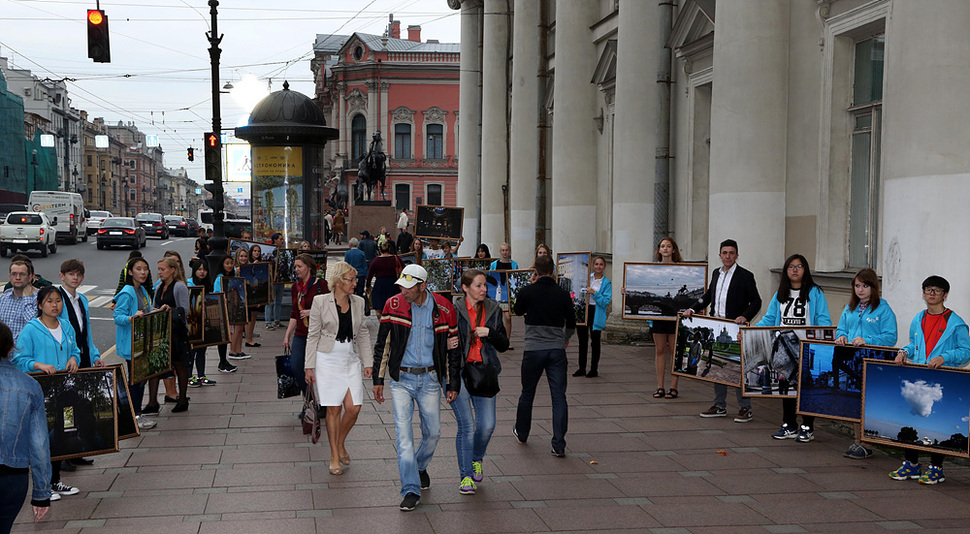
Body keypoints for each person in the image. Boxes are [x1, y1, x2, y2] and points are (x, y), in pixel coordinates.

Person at [372, 264, 461, 512]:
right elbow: (383, 343)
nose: (403, 290)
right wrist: (378, 380)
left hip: (431, 380)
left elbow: (453, 348)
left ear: (423, 286)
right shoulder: (393, 305)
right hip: (401, 380)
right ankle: (410, 489)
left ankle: (419, 467)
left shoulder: (444, 308)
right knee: (403, 437)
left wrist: (452, 382)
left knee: (433, 433)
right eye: (401, 285)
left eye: (409, 287)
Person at [889, 275, 970, 484]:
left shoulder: (956, 323)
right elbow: (913, 344)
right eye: (928, 289)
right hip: (919, 377)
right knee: (910, 419)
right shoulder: (918, 319)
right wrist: (903, 352)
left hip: (943, 380)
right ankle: (911, 463)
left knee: (939, 423)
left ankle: (936, 467)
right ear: (923, 293)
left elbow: (966, 351)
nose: (932, 294)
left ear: (945, 294)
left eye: (937, 290)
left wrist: (945, 357)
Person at [13, 286, 82, 499]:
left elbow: (75, 351)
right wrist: (39, 365)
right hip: (41, 393)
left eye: (58, 301)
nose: (55, 305)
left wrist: (74, 359)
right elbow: (19, 360)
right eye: (49, 301)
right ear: (40, 305)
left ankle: (55, 481)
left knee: (64, 434)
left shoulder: (67, 326)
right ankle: (42, 486)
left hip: (66, 391)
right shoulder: (31, 330)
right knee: (42, 439)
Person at [755, 254, 831, 442]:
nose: (795, 270)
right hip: (783, 348)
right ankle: (789, 425)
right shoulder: (780, 293)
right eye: (791, 266)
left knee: (805, 388)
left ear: (805, 269)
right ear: (786, 270)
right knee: (786, 387)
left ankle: (807, 427)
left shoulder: (815, 292)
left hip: (806, 348)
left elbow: (823, 319)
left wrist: (821, 341)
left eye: (799, 266)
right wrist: (751, 331)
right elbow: (769, 319)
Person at [684, 239, 762, 423]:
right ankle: (719, 406)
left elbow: (756, 302)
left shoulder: (745, 276)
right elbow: (708, 296)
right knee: (717, 365)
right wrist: (693, 309)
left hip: (735, 327)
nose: (728, 256)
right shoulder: (716, 273)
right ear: (719, 255)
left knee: (736, 368)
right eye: (724, 253)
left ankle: (745, 408)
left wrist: (745, 316)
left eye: (731, 253)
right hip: (716, 326)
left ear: (737, 255)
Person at [305, 262, 372, 476]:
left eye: (355, 279)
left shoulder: (359, 302)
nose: (355, 283)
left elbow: (362, 333)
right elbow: (313, 335)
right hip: (327, 359)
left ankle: (340, 442)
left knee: (354, 408)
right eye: (350, 280)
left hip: (350, 359)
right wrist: (309, 366)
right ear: (337, 281)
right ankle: (334, 455)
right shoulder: (320, 301)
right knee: (334, 409)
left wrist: (368, 362)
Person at [451, 269, 509, 495]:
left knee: (486, 426)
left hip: (485, 373)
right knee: (467, 426)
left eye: (485, 285)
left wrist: (490, 333)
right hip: (460, 372)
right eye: (479, 285)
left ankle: (476, 458)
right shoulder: (454, 309)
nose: (484, 289)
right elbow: (443, 337)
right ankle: (465, 476)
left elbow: (504, 344)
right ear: (465, 288)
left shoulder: (493, 309)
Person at [512, 254, 575, 457]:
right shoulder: (563, 293)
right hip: (556, 349)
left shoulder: (528, 291)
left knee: (527, 393)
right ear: (554, 271)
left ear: (535, 271)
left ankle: (522, 432)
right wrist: (565, 338)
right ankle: (558, 444)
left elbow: (517, 309)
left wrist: (530, 287)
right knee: (558, 397)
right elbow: (572, 322)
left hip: (533, 349)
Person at [833, 268, 897, 459]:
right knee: (856, 401)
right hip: (854, 360)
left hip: (873, 361)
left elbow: (890, 337)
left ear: (873, 287)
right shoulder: (850, 307)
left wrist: (867, 339)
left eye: (865, 286)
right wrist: (842, 337)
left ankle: (867, 444)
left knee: (868, 402)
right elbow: (841, 328)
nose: (860, 290)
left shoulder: (883, 309)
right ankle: (857, 441)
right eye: (857, 286)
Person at [0, 321, 52, 529]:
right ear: (12, 348)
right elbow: (39, 445)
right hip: (13, 478)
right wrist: (41, 493)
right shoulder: (30, 386)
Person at [103, 258, 157, 430]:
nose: (143, 272)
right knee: (136, 381)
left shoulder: (141, 290)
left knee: (139, 380)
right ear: (131, 272)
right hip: (132, 345)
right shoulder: (127, 292)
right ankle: (135, 416)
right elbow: (117, 317)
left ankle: (136, 414)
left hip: (142, 344)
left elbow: (144, 311)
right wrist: (132, 318)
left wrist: (154, 312)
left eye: (146, 269)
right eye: (139, 269)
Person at [282, 254, 330, 395]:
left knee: (320, 370)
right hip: (301, 333)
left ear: (309, 267)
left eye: (299, 266)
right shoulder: (295, 288)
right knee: (296, 366)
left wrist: (312, 312)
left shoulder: (321, 285)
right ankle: (310, 399)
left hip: (319, 334)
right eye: (295, 266)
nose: (296, 269)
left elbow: (330, 307)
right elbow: (294, 313)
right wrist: (287, 335)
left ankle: (324, 403)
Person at [153, 257, 192, 413]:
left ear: (172, 270)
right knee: (156, 366)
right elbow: (155, 305)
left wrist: (169, 309)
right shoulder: (159, 287)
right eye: (159, 269)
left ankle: (182, 399)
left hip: (177, 333)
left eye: (163, 269)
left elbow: (185, 310)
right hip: (162, 332)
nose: (160, 272)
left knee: (179, 365)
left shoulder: (179, 287)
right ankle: (152, 402)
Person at [649, 237, 683, 398]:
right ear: (659, 250)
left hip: (676, 316)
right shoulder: (651, 269)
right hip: (660, 317)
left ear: (674, 250)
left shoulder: (681, 269)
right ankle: (660, 386)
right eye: (662, 246)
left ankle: (674, 386)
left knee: (674, 351)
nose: (665, 249)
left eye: (668, 246)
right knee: (660, 350)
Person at [57, 260, 100, 369]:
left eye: (78, 275)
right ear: (62, 276)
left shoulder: (83, 299)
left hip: (83, 355)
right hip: (64, 359)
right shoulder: (56, 298)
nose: (75, 278)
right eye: (71, 274)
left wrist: (95, 356)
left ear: (83, 278)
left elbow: (86, 332)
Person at [574, 256, 612, 378]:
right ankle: (581, 368)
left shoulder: (606, 283)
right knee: (582, 340)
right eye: (596, 264)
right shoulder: (587, 278)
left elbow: (605, 301)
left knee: (595, 341)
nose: (598, 266)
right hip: (584, 310)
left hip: (596, 311)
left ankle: (594, 369)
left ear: (604, 267)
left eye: (601, 264)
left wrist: (594, 293)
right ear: (593, 265)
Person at [186, 259, 216, 387]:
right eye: (199, 269)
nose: (202, 272)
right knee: (191, 351)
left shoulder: (208, 285)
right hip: (191, 322)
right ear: (194, 271)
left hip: (204, 322)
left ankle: (201, 375)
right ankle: (188, 377)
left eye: (204, 269)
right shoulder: (188, 284)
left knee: (202, 350)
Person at [210, 254, 238, 373]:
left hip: (231, 310)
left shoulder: (233, 277)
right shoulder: (219, 278)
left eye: (231, 263)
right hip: (222, 311)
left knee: (228, 336)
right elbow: (217, 294)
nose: (230, 266)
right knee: (223, 336)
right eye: (227, 263)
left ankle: (224, 360)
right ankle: (222, 361)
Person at [0, 259, 39, 341]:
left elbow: (36, 325)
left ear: (30, 277)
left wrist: (27, 298)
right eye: (14, 274)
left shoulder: (39, 299)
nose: (18, 278)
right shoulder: (3, 299)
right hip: (4, 351)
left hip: (26, 351)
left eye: (22, 274)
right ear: (9, 277)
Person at [489, 243, 518, 346]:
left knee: (508, 317)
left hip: (508, 294)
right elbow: (491, 279)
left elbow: (516, 278)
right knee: (496, 318)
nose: (505, 252)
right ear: (500, 251)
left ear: (509, 251)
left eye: (506, 250)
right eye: (503, 250)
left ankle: (507, 340)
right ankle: (496, 339)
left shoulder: (514, 264)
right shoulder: (494, 264)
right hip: (497, 294)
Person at [366, 240, 404, 319]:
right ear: (389, 249)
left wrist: (368, 286)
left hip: (380, 285)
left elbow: (369, 275)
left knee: (379, 307)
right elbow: (404, 269)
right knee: (393, 306)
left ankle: (382, 323)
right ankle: (392, 323)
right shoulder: (396, 259)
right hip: (394, 284)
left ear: (379, 250)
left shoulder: (375, 261)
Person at [244, 245, 264, 348]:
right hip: (251, 293)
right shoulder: (248, 263)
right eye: (255, 251)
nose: (257, 253)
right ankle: (248, 339)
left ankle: (250, 337)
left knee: (255, 316)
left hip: (259, 293)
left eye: (258, 251)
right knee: (250, 317)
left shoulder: (262, 263)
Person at [265, 233, 286, 331]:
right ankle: (268, 321)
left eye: (282, 239)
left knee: (278, 301)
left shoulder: (283, 251)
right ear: (275, 240)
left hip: (280, 279)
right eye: (280, 239)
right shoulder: (271, 251)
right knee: (270, 301)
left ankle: (276, 320)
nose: (282, 241)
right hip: (272, 279)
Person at [344, 237, 369, 314]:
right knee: (360, 292)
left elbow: (346, 265)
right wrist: (366, 276)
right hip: (360, 275)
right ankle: (360, 309)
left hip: (350, 276)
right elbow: (364, 266)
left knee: (351, 292)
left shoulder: (347, 253)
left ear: (350, 244)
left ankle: (351, 308)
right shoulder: (362, 253)